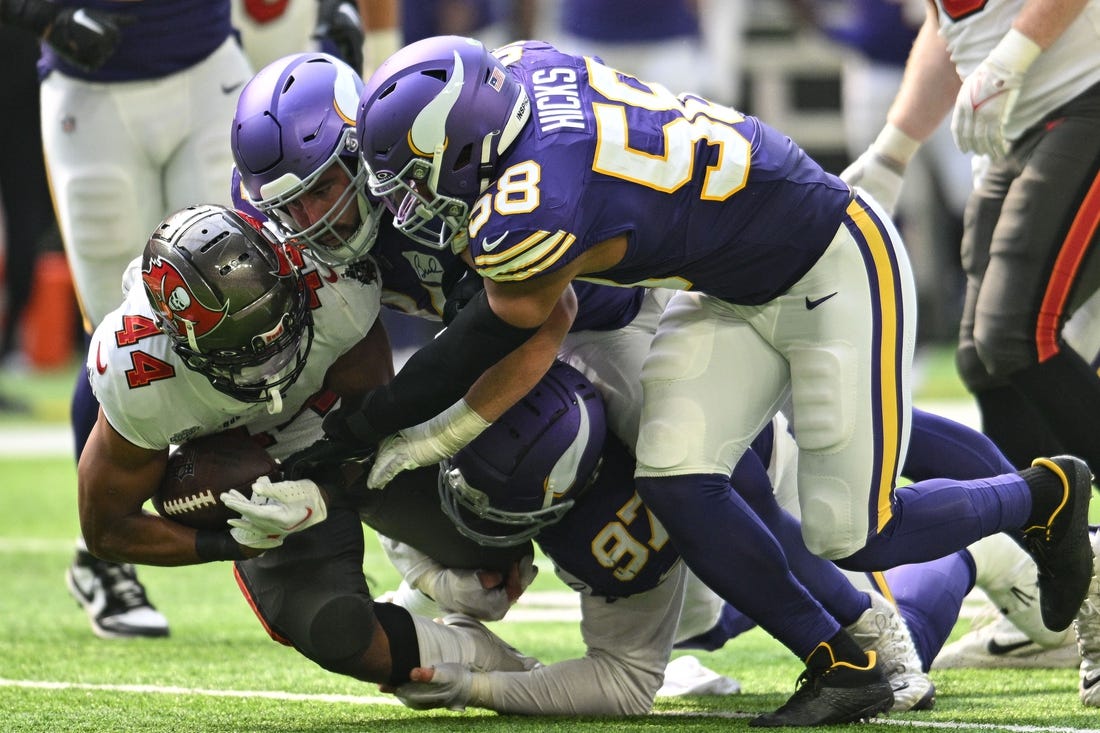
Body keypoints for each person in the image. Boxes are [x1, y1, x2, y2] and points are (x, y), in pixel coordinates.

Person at [332, 35, 1094, 722]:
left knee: (855, 529)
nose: (410, 205)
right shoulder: (524, 70)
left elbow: (507, 328)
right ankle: (843, 662)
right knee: (677, 476)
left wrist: (414, 431)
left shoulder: (535, 199)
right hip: (724, 286)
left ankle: (1042, 496)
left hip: (831, 263)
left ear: (471, 148)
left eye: (419, 180)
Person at [79, 202, 544, 685]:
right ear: (181, 343)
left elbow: (370, 416)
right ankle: (476, 653)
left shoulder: (330, 275)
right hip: (253, 474)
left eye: (282, 330)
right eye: (248, 354)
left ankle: (419, 584)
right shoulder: (142, 374)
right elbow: (106, 529)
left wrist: (321, 492)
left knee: (494, 540)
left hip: (343, 435)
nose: (274, 364)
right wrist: (227, 541)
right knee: (335, 629)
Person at [840, 0, 1100, 476]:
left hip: (1085, 98)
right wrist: (891, 154)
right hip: (1022, 130)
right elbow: (953, 26)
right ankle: (1045, 541)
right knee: (985, 359)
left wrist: (1007, 62)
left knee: (1017, 333)